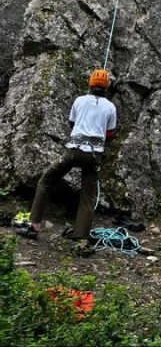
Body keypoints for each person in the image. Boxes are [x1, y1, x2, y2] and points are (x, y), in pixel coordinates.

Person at [21, 69, 117, 250]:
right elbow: (110, 133)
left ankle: (34, 225)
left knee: (46, 181)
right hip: (94, 155)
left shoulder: (80, 100)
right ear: (106, 88)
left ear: (90, 84)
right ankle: (81, 238)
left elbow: (72, 123)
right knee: (88, 197)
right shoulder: (110, 107)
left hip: (73, 151)